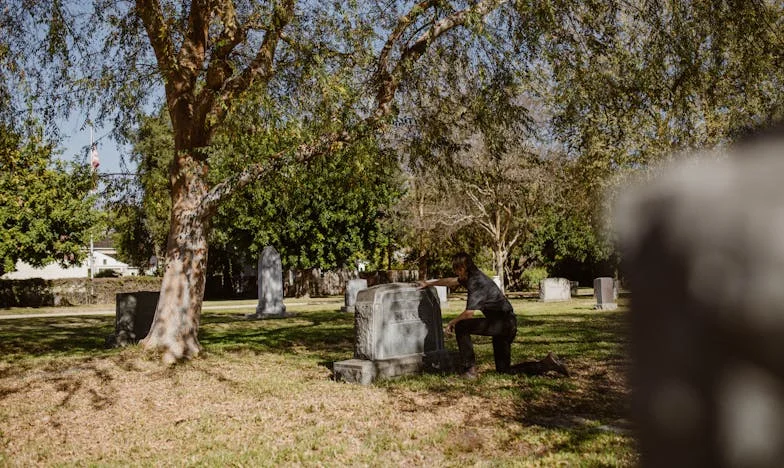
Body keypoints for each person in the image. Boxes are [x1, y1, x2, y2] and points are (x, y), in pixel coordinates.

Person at [419, 252, 568, 379]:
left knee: (461, 326)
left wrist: (452, 322)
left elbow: (468, 314)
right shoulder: (472, 276)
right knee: (504, 370)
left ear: (462, 267)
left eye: (457, 269)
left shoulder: (476, 282)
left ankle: (469, 370)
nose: (456, 273)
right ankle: (547, 364)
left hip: (503, 324)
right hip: (504, 324)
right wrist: (429, 283)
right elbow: (451, 281)